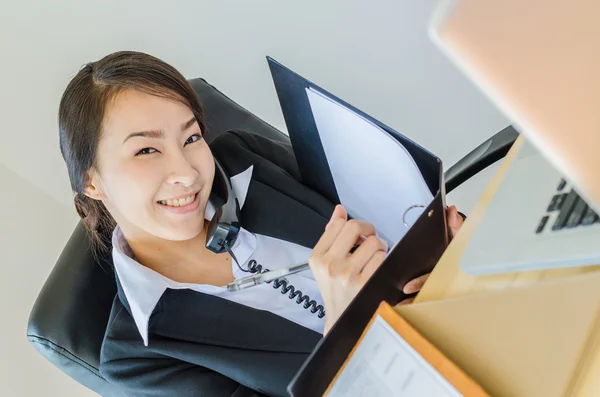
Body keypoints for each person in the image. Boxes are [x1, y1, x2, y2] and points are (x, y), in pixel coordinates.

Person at [58, 51, 464, 397]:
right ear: (92, 180)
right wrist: (346, 333)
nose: (186, 172)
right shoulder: (137, 359)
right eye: (146, 149)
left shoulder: (243, 158)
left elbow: (382, 205)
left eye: (191, 138)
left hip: (461, 317)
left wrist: (445, 243)